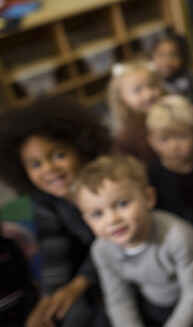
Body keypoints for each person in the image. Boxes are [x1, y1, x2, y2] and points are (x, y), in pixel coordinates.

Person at [0, 96, 111, 327]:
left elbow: (112, 241)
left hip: (126, 261)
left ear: (81, 149)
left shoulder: (106, 183)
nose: (49, 169)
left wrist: (79, 284)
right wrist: (48, 299)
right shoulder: (44, 200)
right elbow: (53, 249)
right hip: (85, 266)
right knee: (63, 316)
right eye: (35, 164)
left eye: (59, 155)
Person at [70, 155, 193, 327]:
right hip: (147, 299)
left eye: (122, 204)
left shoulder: (179, 237)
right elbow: (118, 298)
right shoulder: (101, 249)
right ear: (87, 221)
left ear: (148, 198)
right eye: (97, 214)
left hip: (187, 304)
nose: (112, 220)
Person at [146, 95, 193, 244]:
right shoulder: (152, 176)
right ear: (152, 142)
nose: (174, 146)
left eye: (181, 136)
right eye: (165, 139)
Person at [108, 61, 164, 164]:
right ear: (121, 97)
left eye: (152, 86)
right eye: (137, 90)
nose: (148, 94)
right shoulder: (126, 138)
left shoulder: (169, 117)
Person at [149, 32, 193, 104]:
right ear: (152, 57)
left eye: (173, 55)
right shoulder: (152, 81)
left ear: (183, 57)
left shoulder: (191, 77)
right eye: (161, 55)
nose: (167, 61)